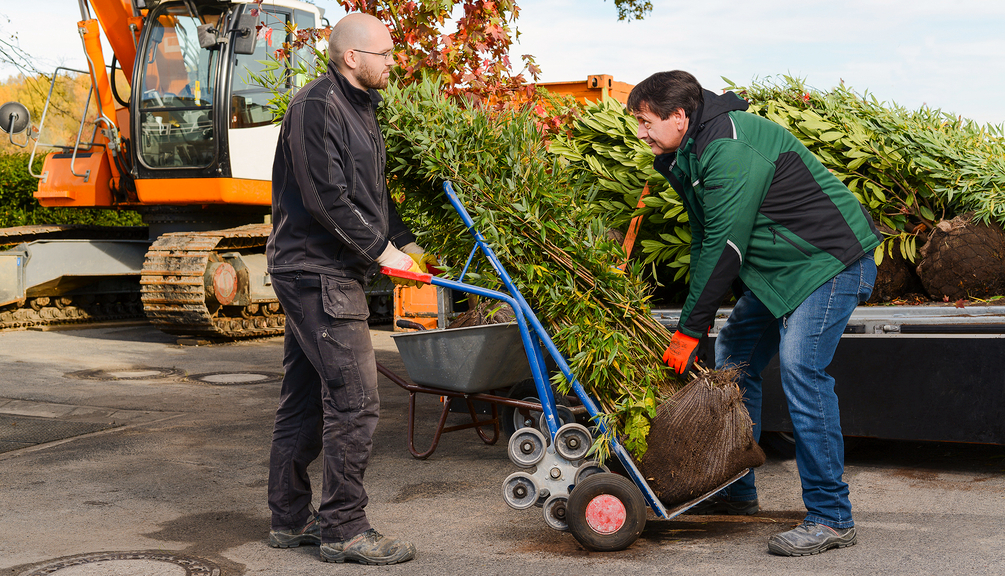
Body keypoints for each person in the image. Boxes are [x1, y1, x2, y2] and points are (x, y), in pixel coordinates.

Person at [627, 70, 881, 556]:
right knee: (736, 354)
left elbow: (726, 246)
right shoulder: (693, 152)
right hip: (784, 272)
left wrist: (686, 333)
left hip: (829, 261)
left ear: (679, 116)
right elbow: (705, 239)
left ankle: (831, 517)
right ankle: (736, 491)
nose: (641, 132)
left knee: (801, 367)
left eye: (645, 121)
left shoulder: (731, 146)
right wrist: (692, 328)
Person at [264, 12, 425, 566]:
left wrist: (406, 242)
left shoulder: (359, 109)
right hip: (316, 272)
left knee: (306, 399)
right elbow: (325, 198)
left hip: (333, 269)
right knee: (356, 402)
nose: (391, 63)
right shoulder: (317, 106)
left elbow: (370, 194)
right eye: (384, 54)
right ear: (352, 56)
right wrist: (383, 254)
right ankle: (342, 528)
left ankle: (289, 520)